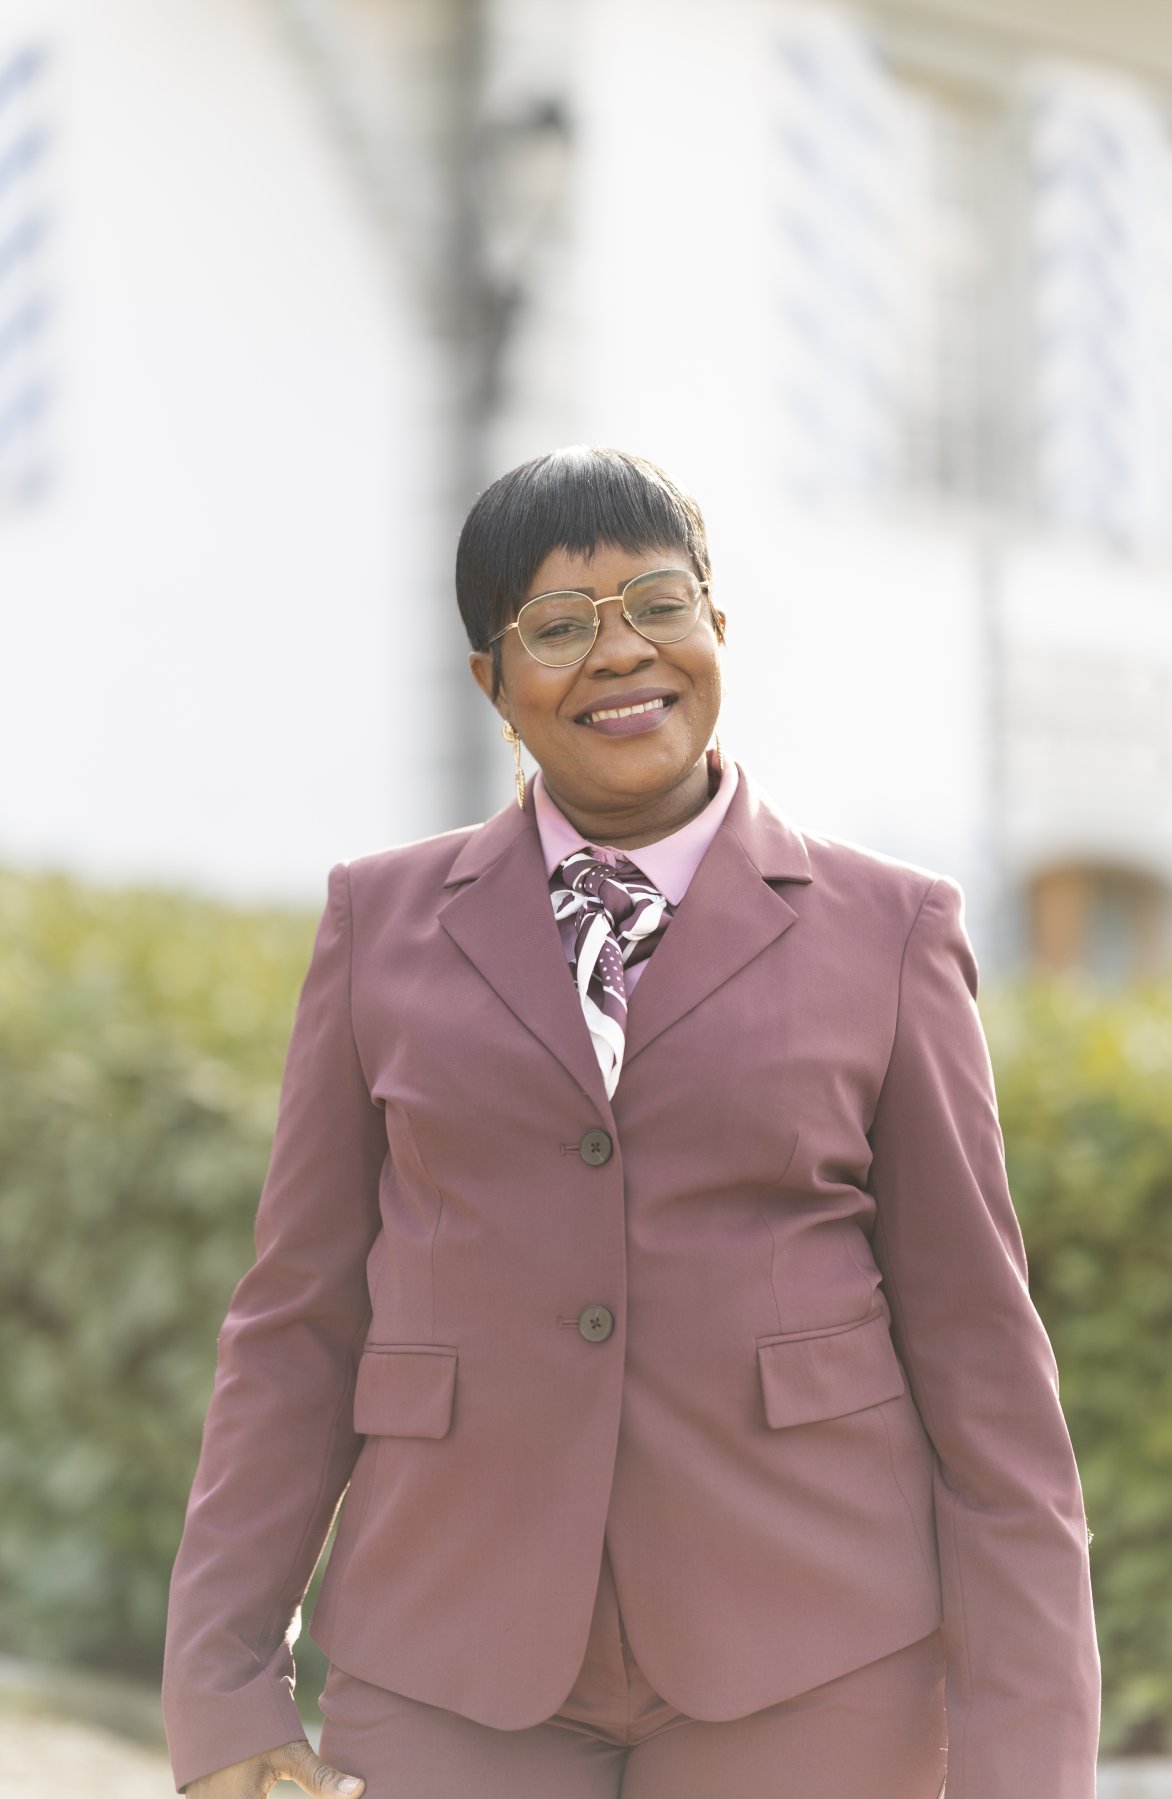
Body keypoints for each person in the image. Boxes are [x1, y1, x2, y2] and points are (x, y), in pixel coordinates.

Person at [162, 446, 1101, 1799]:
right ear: (491, 682)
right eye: (558, 626)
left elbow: (981, 1359)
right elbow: (297, 1324)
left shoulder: (892, 930)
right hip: (448, 1649)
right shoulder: (378, 924)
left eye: (659, 605)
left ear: (717, 625)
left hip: (811, 1646)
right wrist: (221, 1686)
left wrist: (1028, 1765)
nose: (621, 653)